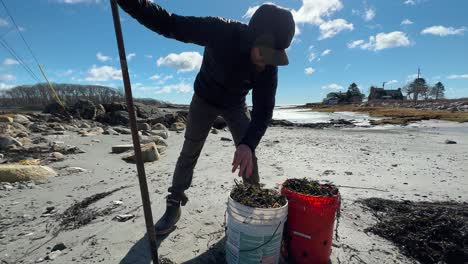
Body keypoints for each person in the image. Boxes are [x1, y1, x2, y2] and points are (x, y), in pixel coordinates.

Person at [117, 0, 295, 235]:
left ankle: (252, 203)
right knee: (189, 151)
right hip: (204, 99)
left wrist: (247, 144)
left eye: (274, 57)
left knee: (248, 155)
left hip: (235, 104)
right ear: (253, 38)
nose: (267, 61)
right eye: (265, 53)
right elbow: (169, 23)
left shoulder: (268, 66)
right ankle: (174, 204)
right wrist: (130, 3)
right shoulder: (221, 31)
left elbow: (263, 110)